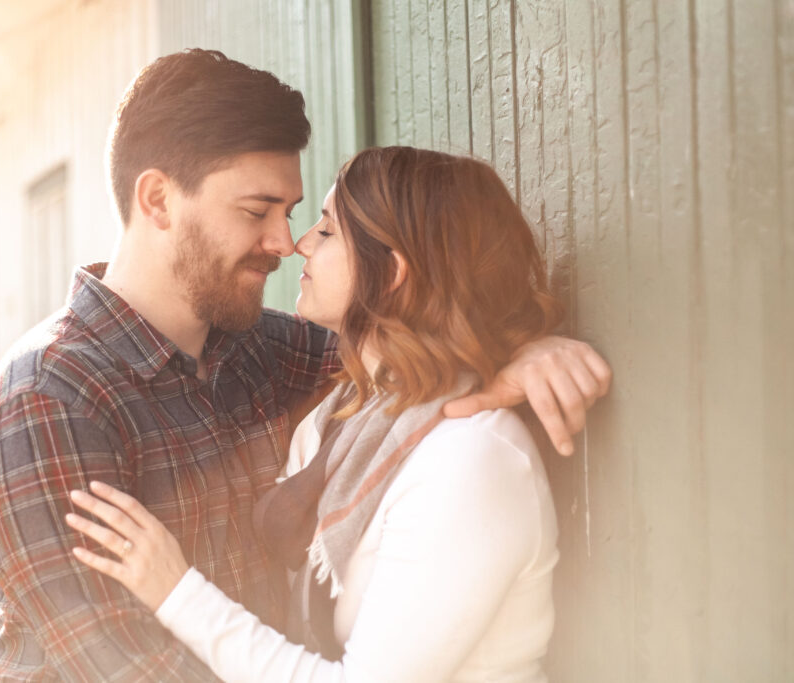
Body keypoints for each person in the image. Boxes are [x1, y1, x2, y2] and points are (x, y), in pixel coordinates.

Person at [0, 49, 610, 681]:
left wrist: (519, 354)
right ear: (157, 200)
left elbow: (412, 354)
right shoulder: (48, 401)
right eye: (255, 211)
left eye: (297, 215)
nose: (284, 242)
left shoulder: (262, 348)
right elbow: (125, 669)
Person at [67, 146, 570, 682]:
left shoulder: (472, 459)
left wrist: (176, 592)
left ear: (392, 273)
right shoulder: (344, 417)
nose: (300, 243)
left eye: (327, 232)